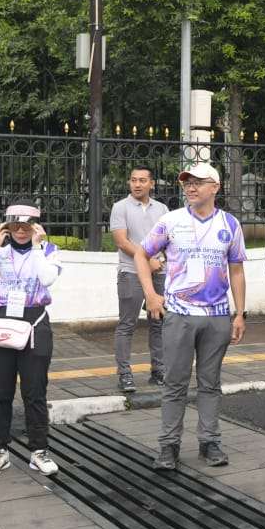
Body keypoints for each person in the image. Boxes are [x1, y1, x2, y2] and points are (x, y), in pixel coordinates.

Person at [135, 163, 247, 470]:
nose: (191, 187)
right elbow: (141, 255)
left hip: (217, 316)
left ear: (215, 188)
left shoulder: (229, 224)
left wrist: (239, 313)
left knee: (210, 383)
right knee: (175, 383)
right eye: (187, 183)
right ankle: (169, 446)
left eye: (199, 182)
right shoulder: (170, 221)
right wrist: (151, 294)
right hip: (179, 315)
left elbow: (236, 270)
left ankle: (210, 442)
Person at [0, 201, 62, 477]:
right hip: (2, 322)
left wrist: (37, 247)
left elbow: (47, 279)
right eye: (15, 225)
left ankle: (39, 451)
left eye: (26, 225)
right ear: (7, 226)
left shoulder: (49, 251)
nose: (20, 231)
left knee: (34, 391)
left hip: (35, 323)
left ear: (36, 226)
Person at [110, 166, 169, 393]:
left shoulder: (162, 209)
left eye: (142, 180)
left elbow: (167, 239)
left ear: (151, 184)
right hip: (130, 272)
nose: (137, 184)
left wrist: (159, 261)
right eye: (133, 180)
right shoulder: (120, 207)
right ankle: (124, 374)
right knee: (127, 324)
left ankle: (159, 371)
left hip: (159, 272)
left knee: (159, 323)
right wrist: (146, 260)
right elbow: (122, 242)